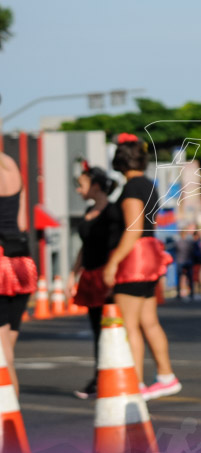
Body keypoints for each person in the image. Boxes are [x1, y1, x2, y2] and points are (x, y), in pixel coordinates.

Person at [102, 133, 181, 400]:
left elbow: (133, 228)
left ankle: (135, 384)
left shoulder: (133, 188)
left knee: (129, 325)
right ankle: (166, 376)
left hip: (134, 258)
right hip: (149, 254)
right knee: (149, 322)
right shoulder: (148, 184)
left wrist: (113, 261)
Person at [71, 162, 120, 399]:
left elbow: (117, 246)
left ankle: (111, 377)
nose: (78, 190)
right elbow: (85, 245)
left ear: (97, 186)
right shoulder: (88, 212)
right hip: (89, 277)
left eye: (81, 185)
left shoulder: (112, 212)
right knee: (97, 330)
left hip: (107, 277)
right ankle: (101, 376)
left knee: (110, 330)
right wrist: (75, 268)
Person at [0, 150, 37, 396]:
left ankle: (8, 413)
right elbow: (23, 222)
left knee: (3, 352)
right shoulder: (12, 168)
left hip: (2, 265)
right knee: (8, 342)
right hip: (23, 260)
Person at [175, 231, 193, 302]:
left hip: (180, 261)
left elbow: (176, 250)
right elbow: (192, 251)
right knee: (189, 278)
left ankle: (179, 293)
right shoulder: (189, 243)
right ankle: (191, 292)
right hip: (188, 261)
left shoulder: (178, 242)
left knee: (179, 278)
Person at [189, 230, 201, 301]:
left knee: (197, 279)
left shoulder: (197, 243)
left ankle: (198, 293)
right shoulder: (198, 243)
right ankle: (195, 293)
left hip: (197, 262)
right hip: (195, 262)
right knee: (195, 279)